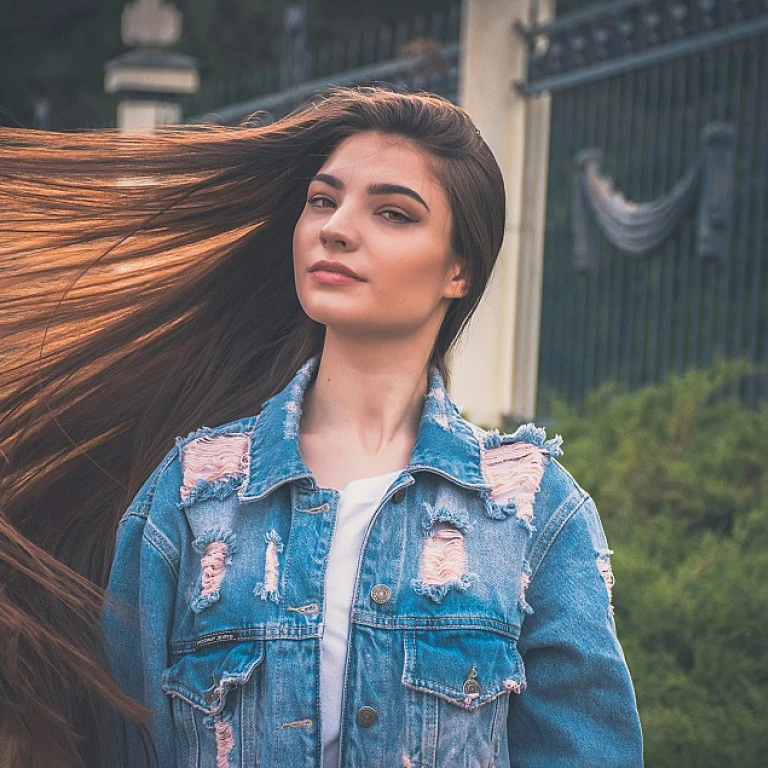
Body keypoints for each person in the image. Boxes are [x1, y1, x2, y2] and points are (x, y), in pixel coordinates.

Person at [0, 86, 642, 767]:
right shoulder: (193, 496)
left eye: (393, 213)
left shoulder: (531, 512)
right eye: (323, 200)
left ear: (459, 269)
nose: (336, 227)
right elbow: (125, 745)